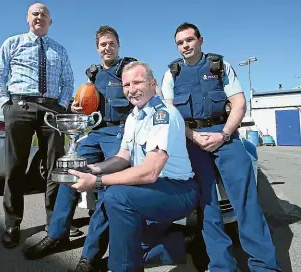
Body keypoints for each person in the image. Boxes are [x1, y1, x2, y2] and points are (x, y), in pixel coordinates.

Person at [162, 22, 281, 271]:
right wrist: (193, 136)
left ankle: (265, 266)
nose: (185, 45)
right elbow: (170, 113)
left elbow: (239, 103)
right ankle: (221, 266)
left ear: (200, 40)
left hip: (225, 136)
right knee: (208, 207)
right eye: (180, 42)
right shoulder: (171, 73)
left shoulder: (219, 66)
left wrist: (225, 134)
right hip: (192, 139)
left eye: (189, 40)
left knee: (247, 202)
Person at [22, 26, 136, 270]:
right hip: (94, 132)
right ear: (97, 48)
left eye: (111, 43)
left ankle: (91, 254)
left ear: (118, 44)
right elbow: (86, 104)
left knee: (105, 185)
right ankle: (57, 234)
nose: (107, 47)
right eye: (103, 44)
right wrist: (77, 109)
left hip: (120, 133)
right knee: (68, 174)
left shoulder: (128, 68)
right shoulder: (93, 75)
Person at [68, 61, 200, 272]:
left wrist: (97, 182)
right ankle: (185, 243)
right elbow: (123, 157)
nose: (131, 90)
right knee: (135, 243)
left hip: (177, 189)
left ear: (153, 83)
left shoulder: (162, 114)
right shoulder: (133, 117)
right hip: (152, 190)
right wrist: (95, 169)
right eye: (127, 85)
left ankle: (123, 267)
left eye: (138, 82)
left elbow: (150, 171)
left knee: (116, 196)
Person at [0, 3, 76, 249]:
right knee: (16, 167)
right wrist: (7, 104)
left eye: (44, 14)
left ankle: (55, 224)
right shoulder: (12, 43)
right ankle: (12, 224)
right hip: (20, 107)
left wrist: (60, 106)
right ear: (28, 19)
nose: (39, 17)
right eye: (35, 14)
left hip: (51, 110)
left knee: (54, 168)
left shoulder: (59, 49)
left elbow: (68, 80)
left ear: (51, 21)